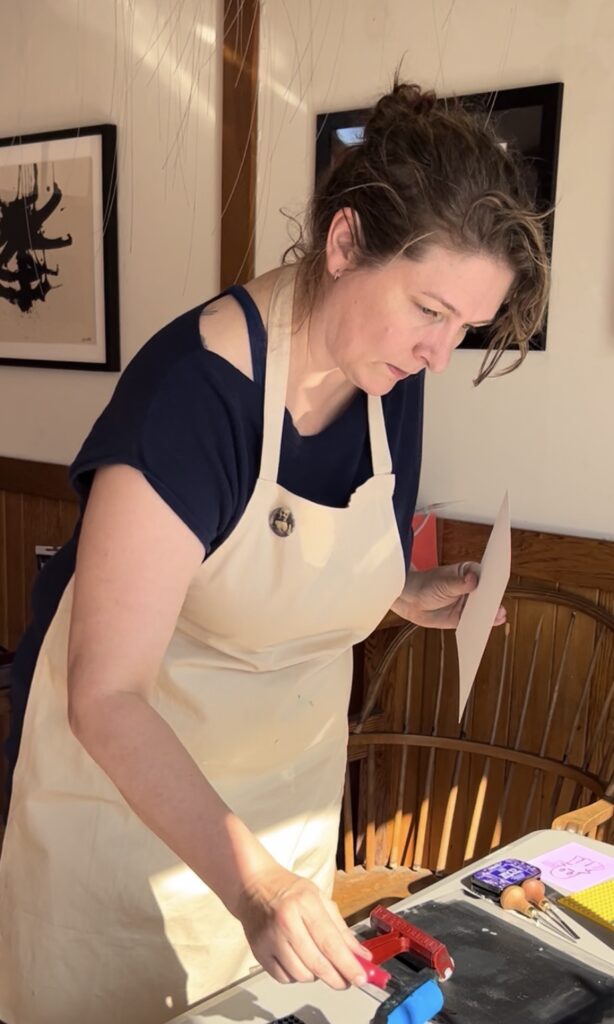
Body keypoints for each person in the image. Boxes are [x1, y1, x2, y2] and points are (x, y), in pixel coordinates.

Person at [0, 80, 549, 1024]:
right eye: (429, 309)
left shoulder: (390, 379)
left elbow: (276, 568)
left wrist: (405, 590)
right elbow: (106, 694)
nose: (439, 353)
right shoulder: (191, 398)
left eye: (464, 327)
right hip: (129, 817)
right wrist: (254, 886)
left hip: (283, 812)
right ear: (344, 243)